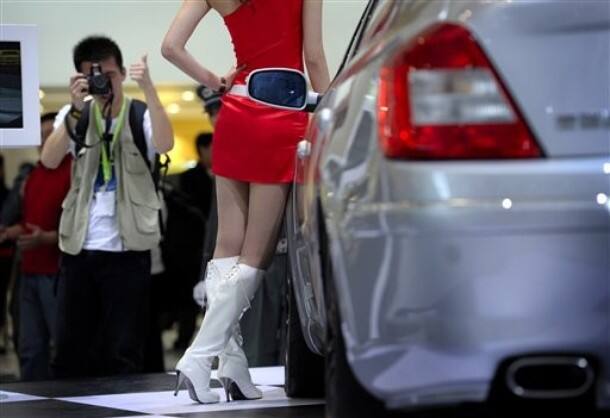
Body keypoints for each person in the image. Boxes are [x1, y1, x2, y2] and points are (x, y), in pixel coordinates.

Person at [162, 0, 330, 404]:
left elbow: (170, 47)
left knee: (227, 247)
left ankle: (232, 366)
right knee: (257, 255)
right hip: (280, 113)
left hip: (235, 108)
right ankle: (199, 358)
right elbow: (314, 57)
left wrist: (211, 80)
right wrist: (329, 118)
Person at [41, 35, 174, 378]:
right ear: (81, 78)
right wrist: (74, 108)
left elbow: (165, 143)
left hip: (128, 249)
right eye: (94, 76)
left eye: (110, 75)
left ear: (122, 74)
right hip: (79, 247)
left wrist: (149, 88)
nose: (103, 84)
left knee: (124, 350)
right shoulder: (76, 116)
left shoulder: (139, 114)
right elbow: (49, 159)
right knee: (71, 347)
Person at [0, 113, 71, 380]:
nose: (43, 142)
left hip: (56, 272)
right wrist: (11, 232)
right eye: (40, 137)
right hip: (29, 269)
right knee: (29, 347)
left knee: (59, 346)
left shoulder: (73, 169)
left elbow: (77, 228)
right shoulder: (34, 174)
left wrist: (46, 238)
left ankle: (66, 401)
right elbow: (30, 220)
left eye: (49, 135)